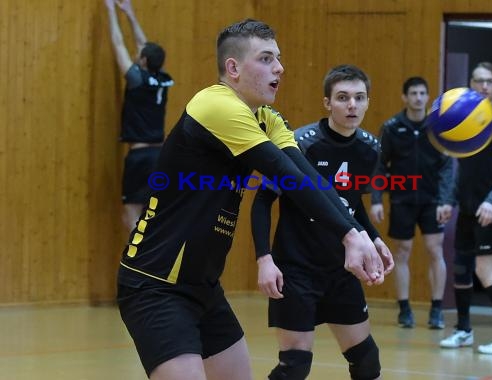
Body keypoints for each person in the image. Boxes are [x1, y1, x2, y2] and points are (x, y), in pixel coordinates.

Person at [116, 19, 385, 380]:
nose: (280, 68)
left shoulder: (267, 119)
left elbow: (310, 179)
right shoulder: (215, 105)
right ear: (233, 68)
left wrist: (358, 233)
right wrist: (349, 236)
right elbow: (283, 174)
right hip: (155, 283)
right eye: (266, 58)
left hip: (205, 287)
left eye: (279, 58)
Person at [251, 64, 394, 380]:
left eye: (359, 97)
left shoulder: (371, 149)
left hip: (341, 270)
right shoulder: (300, 143)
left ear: (368, 101)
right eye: (342, 98)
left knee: (367, 362)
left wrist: (374, 238)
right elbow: (262, 201)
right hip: (297, 270)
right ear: (327, 103)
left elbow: (350, 205)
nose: (352, 105)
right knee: (295, 367)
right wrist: (264, 258)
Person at [439, 62, 492, 354]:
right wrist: (448, 200)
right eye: (478, 81)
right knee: (461, 270)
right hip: (466, 207)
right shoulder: (466, 119)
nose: (484, 87)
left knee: (485, 269)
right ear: (471, 85)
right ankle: (464, 330)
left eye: (489, 81)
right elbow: (460, 165)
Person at [369, 77, 453, 329]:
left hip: (432, 200)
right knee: (402, 252)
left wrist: (445, 200)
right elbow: (379, 166)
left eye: (422, 93)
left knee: (434, 250)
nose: (418, 97)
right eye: (413, 93)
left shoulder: (438, 126)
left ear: (428, 97)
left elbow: (447, 167)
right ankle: (404, 309)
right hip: (402, 199)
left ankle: (436, 309)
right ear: (404, 98)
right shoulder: (392, 127)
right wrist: (376, 200)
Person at [104, 0, 174, 231]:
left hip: (139, 157)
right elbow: (144, 45)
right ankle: (152, 264)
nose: (136, 53)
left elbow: (118, 44)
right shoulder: (162, 78)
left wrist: (111, 10)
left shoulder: (136, 80)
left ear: (143, 61)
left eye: (139, 54)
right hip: (158, 156)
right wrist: (131, 16)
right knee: (151, 217)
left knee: (131, 217)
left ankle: (136, 265)